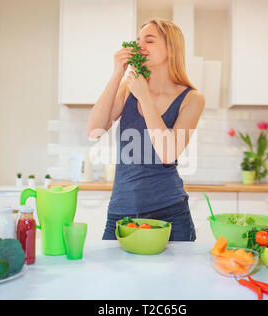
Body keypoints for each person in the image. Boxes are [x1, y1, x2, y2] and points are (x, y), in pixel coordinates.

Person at [86, 19, 205, 241]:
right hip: (121, 210)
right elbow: (94, 129)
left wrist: (145, 96)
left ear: (171, 49)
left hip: (170, 212)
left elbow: (168, 154)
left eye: (149, 40)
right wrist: (117, 74)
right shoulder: (127, 89)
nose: (140, 46)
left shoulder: (192, 99)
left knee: (175, 277)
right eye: (138, 40)